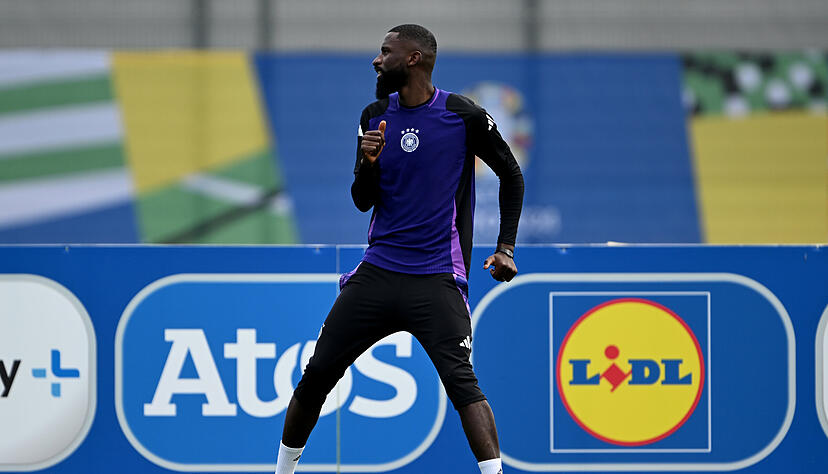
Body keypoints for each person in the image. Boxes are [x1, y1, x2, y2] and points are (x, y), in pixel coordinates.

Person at [274, 24, 524, 474]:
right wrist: (367, 164)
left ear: (413, 59)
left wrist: (505, 247)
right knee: (316, 377)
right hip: (378, 272)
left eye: (385, 51)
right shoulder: (373, 114)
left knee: (463, 385)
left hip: (436, 278)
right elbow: (362, 200)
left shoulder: (461, 115)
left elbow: (511, 174)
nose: (376, 59)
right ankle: (282, 472)